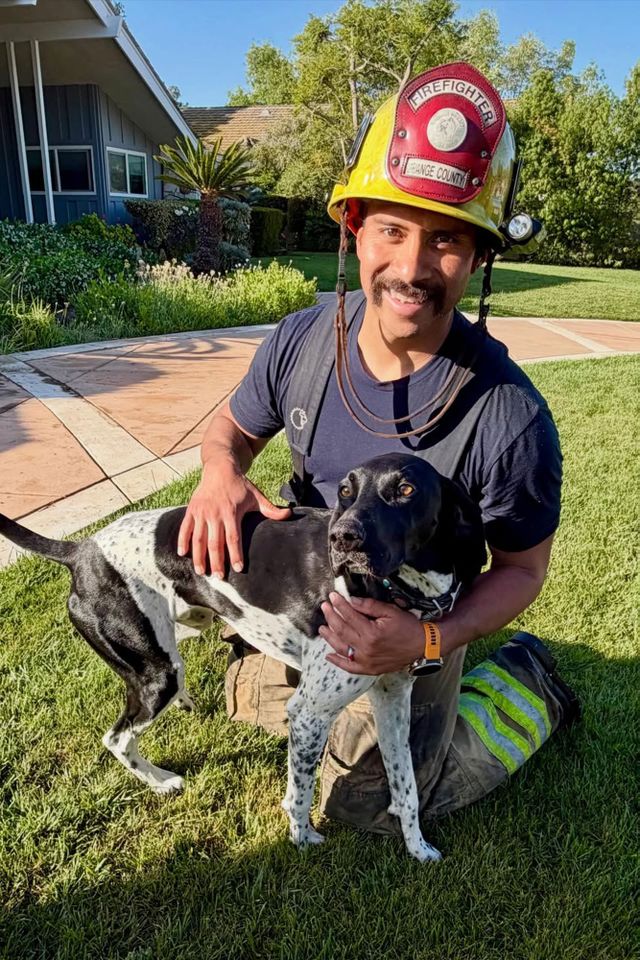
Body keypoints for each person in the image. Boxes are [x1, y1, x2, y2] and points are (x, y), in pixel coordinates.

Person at [177, 62, 579, 836]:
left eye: (446, 239)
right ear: (354, 228)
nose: (412, 267)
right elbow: (231, 429)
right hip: (314, 592)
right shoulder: (301, 341)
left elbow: (522, 570)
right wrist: (219, 470)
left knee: (371, 804)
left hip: (417, 617)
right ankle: (285, 680)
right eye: (392, 229)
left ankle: (529, 681)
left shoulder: (509, 416)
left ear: (480, 256)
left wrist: (428, 638)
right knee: (265, 705)